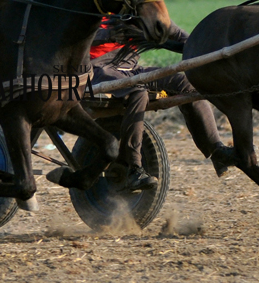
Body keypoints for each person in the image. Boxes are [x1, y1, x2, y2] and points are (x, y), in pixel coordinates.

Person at [90, 20, 227, 192]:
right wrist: (110, 34)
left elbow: (172, 31)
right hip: (98, 71)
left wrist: (200, 46)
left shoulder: (130, 10)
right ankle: (132, 168)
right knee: (138, 91)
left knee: (187, 82)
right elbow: (72, 35)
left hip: (132, 69)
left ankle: (217, 151)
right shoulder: (88, 7)